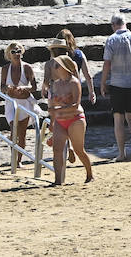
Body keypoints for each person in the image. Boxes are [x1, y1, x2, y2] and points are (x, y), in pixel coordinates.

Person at [100, 12, 131, 162]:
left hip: (117, 83)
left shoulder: (111, 40)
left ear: (114, 25)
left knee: (118, 119)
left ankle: (122, 153)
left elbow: (107, 64)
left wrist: (103, 82)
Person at [46, 53, 93, 185]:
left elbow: (75, 105)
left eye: (57, 65)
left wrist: (56, 110)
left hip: (75, 119)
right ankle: (57, 180)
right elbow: (53, 105)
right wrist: (52, 120)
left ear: (64, 67)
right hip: (60, 120)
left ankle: (89, 174)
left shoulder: (74, 82)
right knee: (57, 150)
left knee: (79, 150)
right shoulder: (55, 84)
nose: (54, 68)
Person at [0, 42, 38, 170]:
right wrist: (7, 88)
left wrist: (24, 88)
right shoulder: (5, 69)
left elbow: (34, 87)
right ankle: (13, 158)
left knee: (22, 134)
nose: (16, 54)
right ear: (9, 55)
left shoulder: (27, 68)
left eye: (18, 51)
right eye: (13, 52)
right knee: (13, 130)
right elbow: (2, 86)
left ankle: (19, 161)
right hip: (11, 103)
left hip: (24, 103)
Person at [54, 29, 96, 105]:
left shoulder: (56, 56)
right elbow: (88, 75)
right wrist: (91, 92)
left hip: (60, 88)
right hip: (75, 87)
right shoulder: (79, 54)